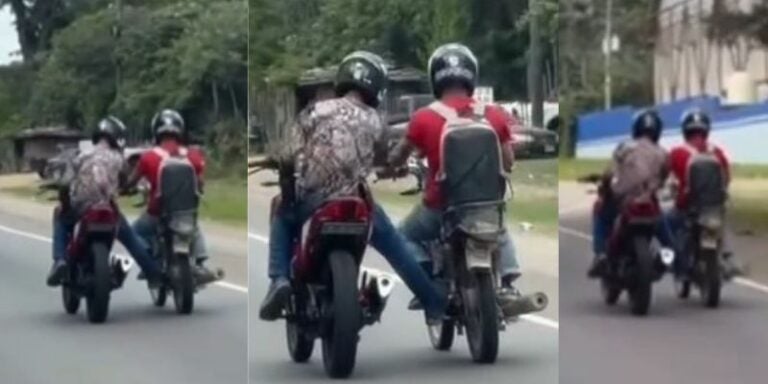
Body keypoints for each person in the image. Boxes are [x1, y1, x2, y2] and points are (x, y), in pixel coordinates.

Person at [258, 51, 447, 324]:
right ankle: (432, 302)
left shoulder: (313, 111)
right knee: (396, 246)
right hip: (355, 200)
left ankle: (278, 279)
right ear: (377, 87)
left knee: (281, 209)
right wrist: (394, 167)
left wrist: (286, 176)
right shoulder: (376, 120)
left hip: (313, 200)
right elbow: (383, 160)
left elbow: (289, 156)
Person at [387, 43, 523, 314]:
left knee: (402, 236)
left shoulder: (423, 118)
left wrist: (391, 166)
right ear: (471, 75)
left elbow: (399, 156)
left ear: (434, 77)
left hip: (441, 207)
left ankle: (429, 279)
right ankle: (508, 282)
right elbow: (508, 160)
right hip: (486, 203)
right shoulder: (494, 114)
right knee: (499, 226)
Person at [47, 117, 163, 286]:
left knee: (59, 214)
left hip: (81, 208)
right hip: (107, 208)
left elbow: (65, 183)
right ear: (117, 137)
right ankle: (153, 272)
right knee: (131, 239)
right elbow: (125, 182)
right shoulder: (119, 159)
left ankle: (59, 261)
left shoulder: (81, 156)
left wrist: (65, 203)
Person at [123, 109, 220, 285]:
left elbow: (132, 181)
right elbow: (200, 184)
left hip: (158, 212)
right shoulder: (193, 156)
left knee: (134, 232)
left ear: (156, 131)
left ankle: (150, 261)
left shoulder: (148, 157)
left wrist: (124, 188)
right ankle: (200, 262)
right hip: (187, 211)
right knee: (194, 228)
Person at [659, 109, 742, 278]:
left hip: (687, 205)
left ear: (685, 131)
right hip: (714, 206)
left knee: (665, 221)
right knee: (720, 224)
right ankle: (727, 258)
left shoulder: (677, 153)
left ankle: (674, 261)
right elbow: (726, 178)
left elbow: (663, 176)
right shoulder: (716, 152)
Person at [587, 109, 669, 277]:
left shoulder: (624, 147)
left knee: (600, 211)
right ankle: (670, 256)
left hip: (623, 201)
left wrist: (605, 183)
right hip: (648, 203)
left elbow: (610, 172)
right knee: (666, 233)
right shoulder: (663, 153)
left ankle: (600, 254)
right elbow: (664, 178)